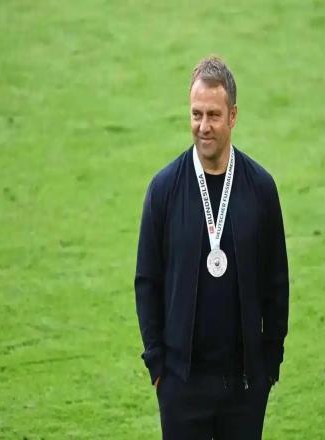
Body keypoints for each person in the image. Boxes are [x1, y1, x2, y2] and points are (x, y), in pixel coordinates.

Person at [134, 56, 289, 440]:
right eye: (196, 114)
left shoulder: (261, 189)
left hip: (244, 387)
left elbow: (277, 283)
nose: (203, 126)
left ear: (233, 116)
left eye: (214, 115)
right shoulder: (164, 189)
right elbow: (147, 281)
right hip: (181, 384)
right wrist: (158, 367)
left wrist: (269, 364)